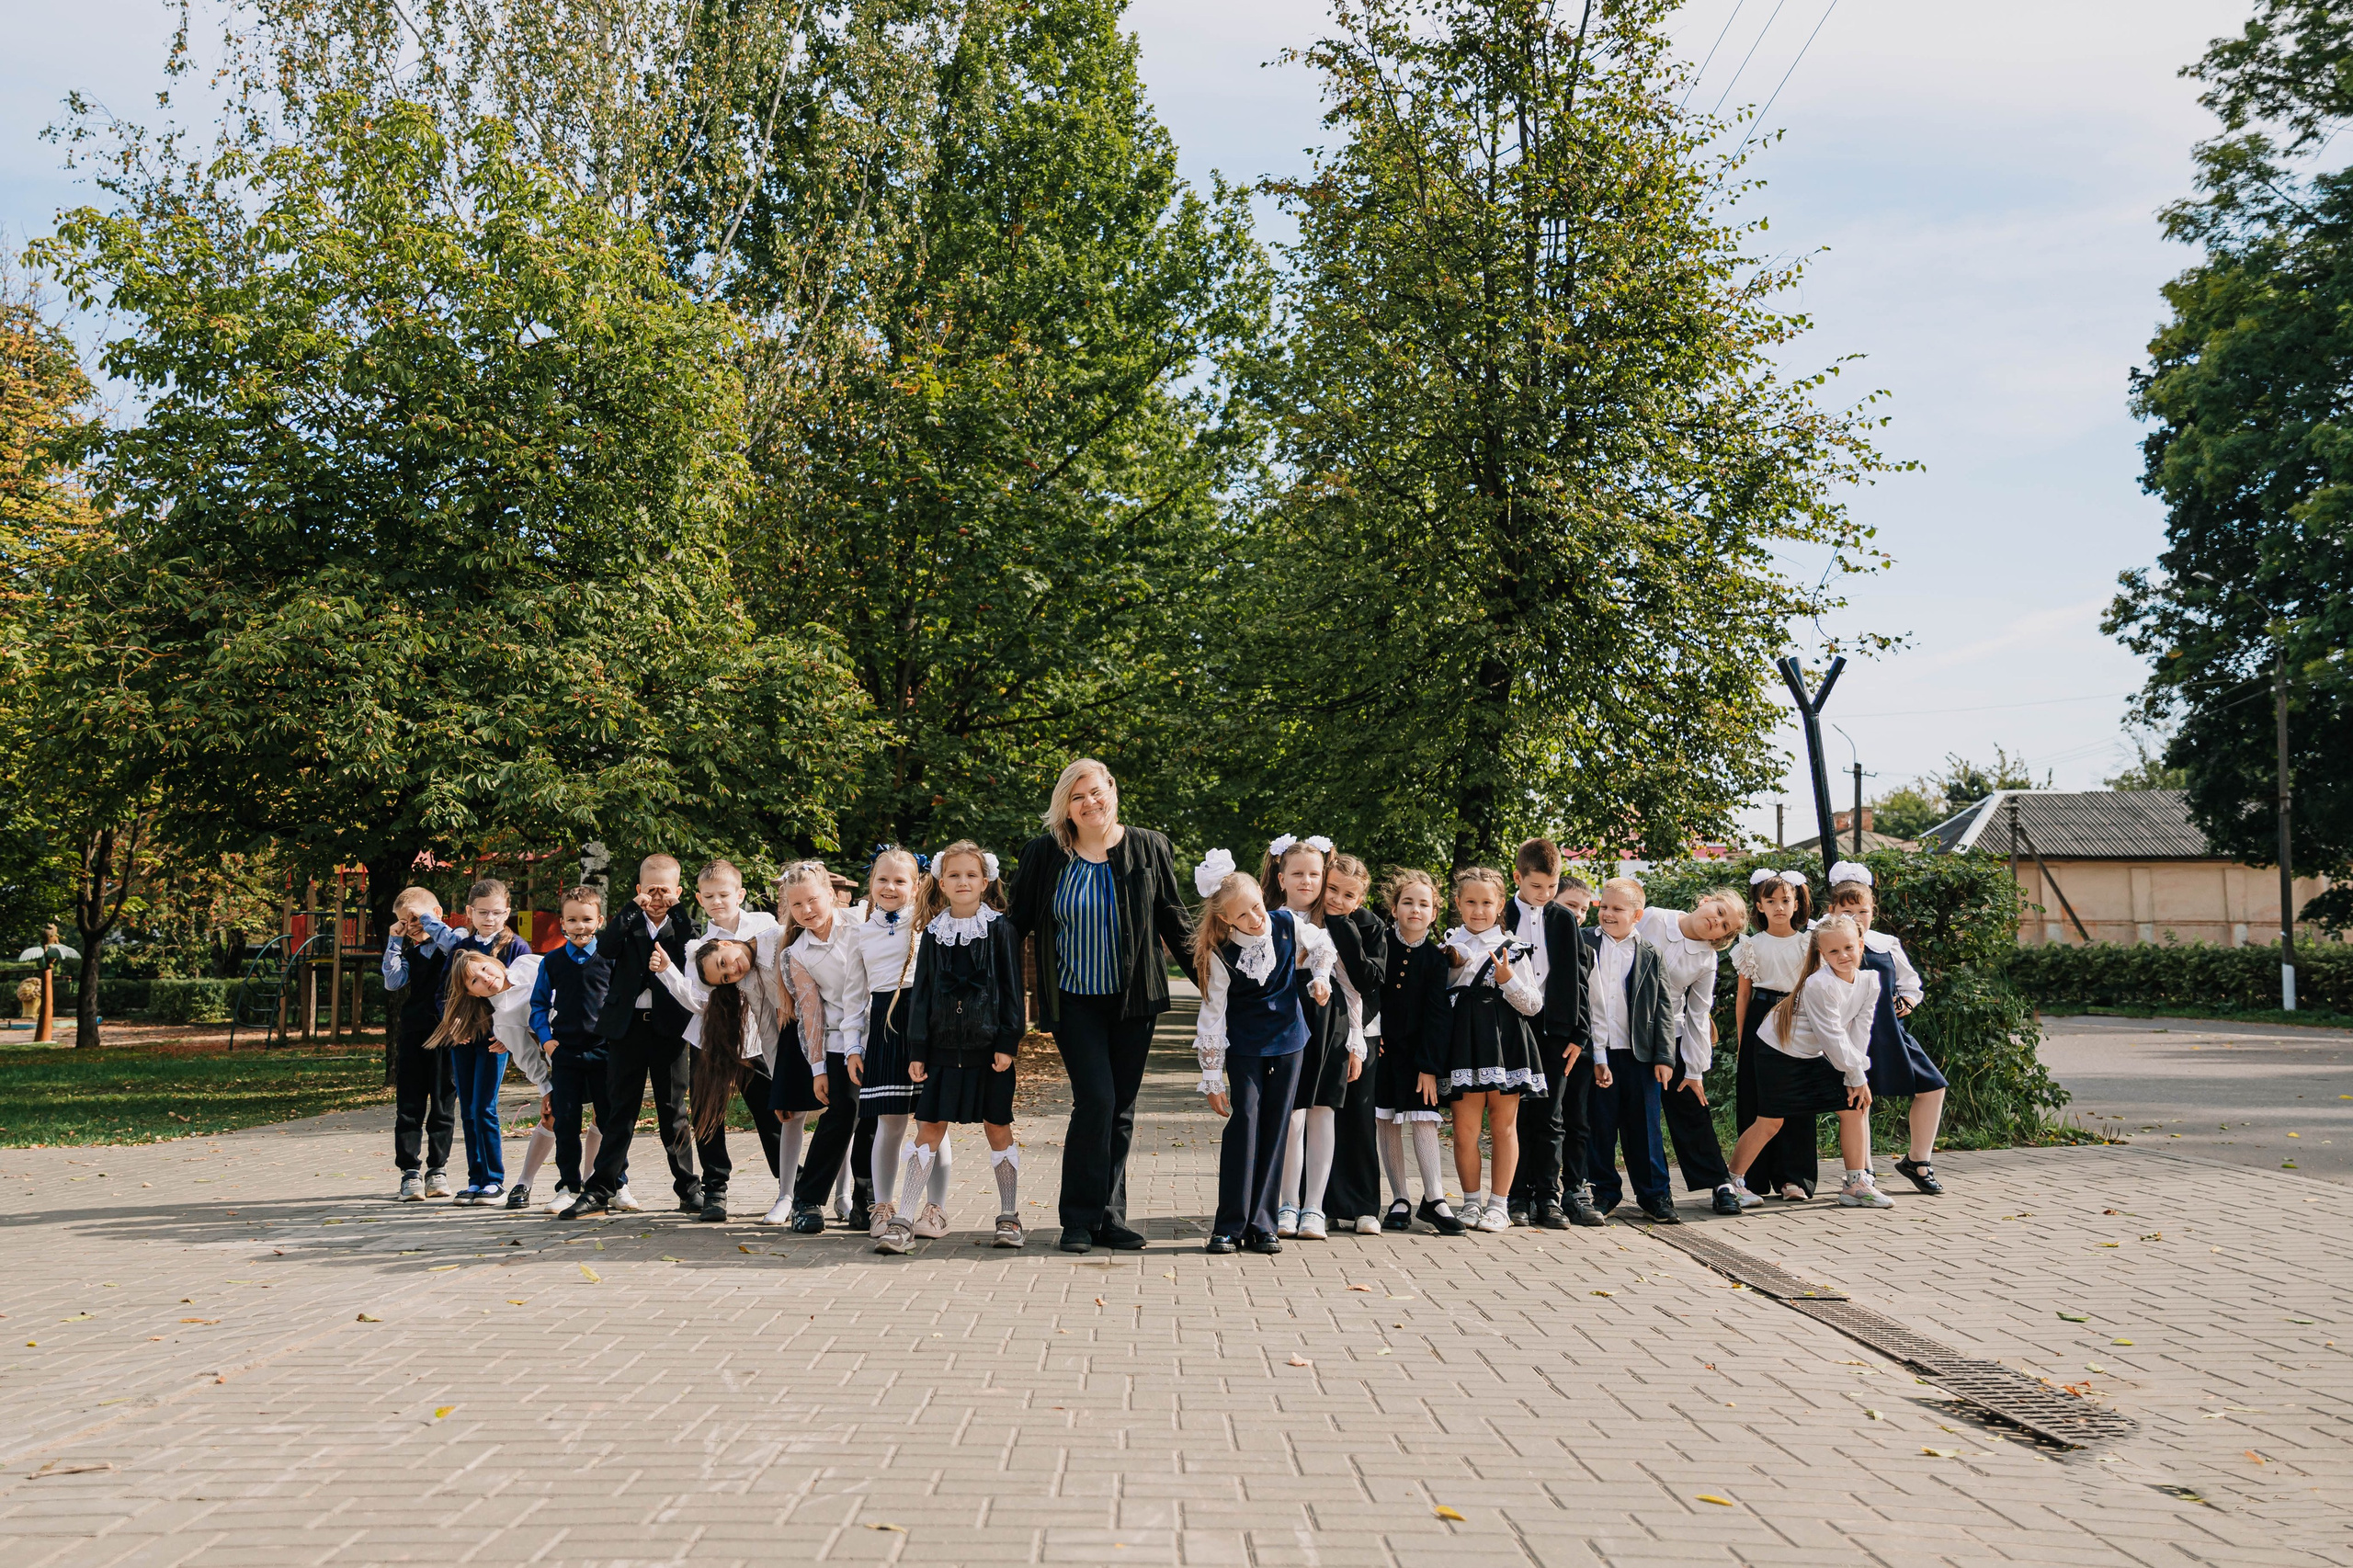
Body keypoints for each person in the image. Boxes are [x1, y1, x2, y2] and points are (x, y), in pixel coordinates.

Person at [1007, 756, 1197, 1255]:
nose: (1090, 802)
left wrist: (1220, 990)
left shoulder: (1149, 847)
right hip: (1073, 1000)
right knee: (1097, 1100)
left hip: (1134, 1000)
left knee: (1122, 1109)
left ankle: (1110, 1218)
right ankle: (1077, 1218)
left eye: (1096, 791)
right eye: (1077, 796)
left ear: (1113, 789)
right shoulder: (1046, 854)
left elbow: (1174, 922)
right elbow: (1016, 925)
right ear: (1066, 807)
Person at [1192, 853, 1336, 1256]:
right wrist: (1211, 1077)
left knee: (1277, 1128)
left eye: (1257, 906)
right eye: (1244, 915)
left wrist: (1321, 979)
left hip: (1290, 1041)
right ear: (1227, 920)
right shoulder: (1221, 953)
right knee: (1246, 1123)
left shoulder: (1288, 923)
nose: (1256, 919)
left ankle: (1263, 1224)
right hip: (1245, 1049)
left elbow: (1324, 946)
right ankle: (1229, 1225)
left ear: (1262, 895)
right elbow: (1212, 1016)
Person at [882, 843, 1023, 1253]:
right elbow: (921, 994)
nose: (963, 882)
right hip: (942, 1051)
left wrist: (1008, 1041)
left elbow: (1013, 991)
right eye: (955, 875)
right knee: (928, 1128)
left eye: (971, 875)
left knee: (997, 1127)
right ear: (941, 883)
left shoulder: (1001, 930)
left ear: (985, 881)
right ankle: (904, 1219)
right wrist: (917, 1049)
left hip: (989, 1050)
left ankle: (1010, 1215)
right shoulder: (932, 934)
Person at [1728, 914, 1891, 1210]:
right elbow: (1832, 1037)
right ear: (1821, 954)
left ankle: (1856, 1184)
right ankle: (1731, 1183)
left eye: (1849, 948)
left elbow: (1859, 1030)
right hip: (1777, 1053)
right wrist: (1856, 1076)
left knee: (1853, 1108)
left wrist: (1855, 1077)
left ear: (1861, 944)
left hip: (1812, 1055)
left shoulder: (1870, 981)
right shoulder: (1820, 985)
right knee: (1770, 1122)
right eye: (1833, 951)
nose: (1843, 955)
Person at [573, 856, 702, 1219]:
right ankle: (600, 1189)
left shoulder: (684, 925)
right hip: (626, 1028)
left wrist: (676, 912)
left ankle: (689, 1188)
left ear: (678, 892)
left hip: (669, 1029)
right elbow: (606, 948)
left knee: (673, 1110)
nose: (658, 896)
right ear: (638, 891)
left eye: (665, 890)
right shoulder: (627, 923)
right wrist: (632, 909)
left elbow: (694, 949)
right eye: (650, 889)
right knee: (618, 1111)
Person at [649, 931, 797, 1221]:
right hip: (711, 1043)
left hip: (754, 1044)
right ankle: (715, 1190)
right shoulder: (701, 950)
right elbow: (699, 1002)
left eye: (723, 895)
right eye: (709, 897)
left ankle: (791, 1184)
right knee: (708, 1115)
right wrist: (668, 972)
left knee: (773, 1114)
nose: (732, 971)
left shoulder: (763, 930)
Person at [1260, 835, 1362, 1241]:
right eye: (1298, 873)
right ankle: (1286, 1203)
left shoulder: (1334, 924)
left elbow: (1352, 989)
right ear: (1281, 877)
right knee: (1292, 1114)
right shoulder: (1266, 920)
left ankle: (1314, 1207)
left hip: (1328, 1023)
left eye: (1315, 874)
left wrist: (1357, 1040)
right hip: (1285, 1021)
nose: (1307, 881)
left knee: (1323, 1113)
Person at [1824, 864, 1949, 1194]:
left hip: (1889, 1030)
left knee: (1933, 1086)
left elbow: (1911, 983)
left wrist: (1907, 1001)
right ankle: (1863, 1170)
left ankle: (1918, 1161)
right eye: (1846, 911)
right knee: (1858, 1100)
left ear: (1872, 911)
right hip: (1848, 1034)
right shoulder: (1824, 943)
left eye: (1862, 911)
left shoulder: (1886, 943)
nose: (1855, 918)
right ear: (1832, 911)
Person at [1436, 867, 1546, 1233]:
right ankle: (1469, 1202)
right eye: (1470, 902)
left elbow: (1533, 1005)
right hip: (1463, 1046)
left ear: (1500, 904)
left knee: (1504, 1126)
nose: (1479, 910)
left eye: (1487, 902)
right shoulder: (1448, 947)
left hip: (1505, 1044)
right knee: (1464, 1130)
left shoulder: (1514, 949)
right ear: (1458, 904)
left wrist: (1508, 980)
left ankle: (1499, 1205)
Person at [1634, 885, 1750, 1217]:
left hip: (1672, 1034)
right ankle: (1634, 1191)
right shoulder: (1654, 918)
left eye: (1726, 925)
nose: (1718, 922)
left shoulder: (1706, 959)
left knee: (1691, 1106)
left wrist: (1696, 1070)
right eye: (1719, 911)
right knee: (1635, 1113)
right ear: (1704, 901)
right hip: (1627, 1030)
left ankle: (1720, 1184)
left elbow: (1699, 1013)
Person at [855, 848, 951, 1242]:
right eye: (882, 880)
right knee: (889, 1122)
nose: (890, 887)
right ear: (871, 882)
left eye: (900, 881)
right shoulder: (860, 932)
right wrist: (851, 1047)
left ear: (917, 885)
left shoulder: (931, 924)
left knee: (933, 1121)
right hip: (883, 1025)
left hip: (927, 1023)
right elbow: (852, 996)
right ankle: (883, 1206)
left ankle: (936, 1208)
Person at [1503, 838, 1599, 1229]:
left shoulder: (1562, 918)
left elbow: (1578, 979)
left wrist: (1580, 1033)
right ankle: (1516, 1196)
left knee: (1551, 1115)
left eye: (1552, 886)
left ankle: (1548, 1196)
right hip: (1513, 1028)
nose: (1545, 894)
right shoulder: (1501, 914)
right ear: (1518, 877)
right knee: (1517, 1114)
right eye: (1537, 886)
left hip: (1557, 1031)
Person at [785, 859, 877, 1230]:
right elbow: (812, 1016)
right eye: (796, 905)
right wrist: (818, 1069)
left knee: (874, 1120)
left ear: (831, 895)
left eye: (812, 900)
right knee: (842, 1116)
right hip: (840, 1043)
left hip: (881, 1035)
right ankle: (806, 1201)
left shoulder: (861, 926)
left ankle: (866, 1201)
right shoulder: (797, 954)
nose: (806, 911)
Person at [1582, 878, 1679, 1223]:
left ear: (1636, 915)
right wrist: (1594, 1055)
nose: (1607, 914)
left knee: (1646, 1129)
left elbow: (1664, 1009)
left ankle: (1655, 1195)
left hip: (1639, 1056)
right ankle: (1604, 1191)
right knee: (1600, 1126)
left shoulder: (1650, 953)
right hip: (1597, 1054)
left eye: (1617, 909)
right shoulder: (1584, 942)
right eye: (1604, 906)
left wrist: (1665, 1057)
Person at [423, 943, 551, 1203]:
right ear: (471, 992)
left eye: (484, 968)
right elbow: (526, 1056)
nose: (485, 977)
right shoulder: (502, 1016)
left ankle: (494, 1179)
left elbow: (563, 974)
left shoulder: (525, 960)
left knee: (484, 1108)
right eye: (474, 980)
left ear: (494, 961)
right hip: (546, 1051)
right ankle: (480, 1180)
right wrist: (546, 1087)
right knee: (470, 1110)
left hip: (582, 1037)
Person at [1371, 868, 1461, 1235]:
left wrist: (1429, 1067)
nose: (1415, 909)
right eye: (1407, 902)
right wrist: (1369, 1030)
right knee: (1387, 1118)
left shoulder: (1437, 958)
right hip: (1381, 1049)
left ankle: (1435, 1198)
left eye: (1424, 904)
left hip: (1420, 1054)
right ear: (1393, 908)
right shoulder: (1378, 945)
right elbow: (1366, 991)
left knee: (1424, 1118)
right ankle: (1399, 1198)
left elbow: (1438, 1017)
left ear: (1434, 913)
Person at [527, 885, 623, 1214]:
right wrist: (547, 1040)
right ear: (562, 923)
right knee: (565, 1121)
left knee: (611, 1120)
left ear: (599, 921)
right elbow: (538, 1004)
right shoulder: (552, 961)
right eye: (572, 920)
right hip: (565, 1052)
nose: (580, 926)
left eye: (586, 919)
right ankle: (568, 1186)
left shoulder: (611, 959)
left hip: (604, 1052)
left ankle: (617, 1183)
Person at [1733, 869, 1816, 1200]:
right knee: (1759, 1098)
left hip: (1800, 1016)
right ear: (1759, 905)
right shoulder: (1751, 945)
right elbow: (1743, 996)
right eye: (1771, 901)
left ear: (1797, 904)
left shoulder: (1810, 943)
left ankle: (1793, 1178)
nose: (1779, 907)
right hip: (1761, 1017)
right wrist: (1743, 1040)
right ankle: (1752, 1179)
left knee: (1797, 1094)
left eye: (1786, 900)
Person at [1319, 852, 1389, 1235]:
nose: (1336, 900)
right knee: (1321, 1115)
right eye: (1332, 889)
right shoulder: (1307, 919)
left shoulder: (1369, 925)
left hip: (1362, 1032)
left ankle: (1363, 1205)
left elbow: (1368, 980)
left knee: (1359, 1119)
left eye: (1348, 895)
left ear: (1360, 900)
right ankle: (1322, 1202)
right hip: (1317, 1031)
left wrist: (1343, 926)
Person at [381, 886, 458, 1201]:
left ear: (436, 914)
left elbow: (453, 944)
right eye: (404, 921)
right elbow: (393, 981)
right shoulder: (409, 952)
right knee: (409, 1106)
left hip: (448, 1033)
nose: (411, 925)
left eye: (414, 919)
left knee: (443, 1105)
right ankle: (409, 1171)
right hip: (414, 1034)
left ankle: (437, 1169)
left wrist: (427, 921)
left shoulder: (456, 944)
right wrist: (395, 940)